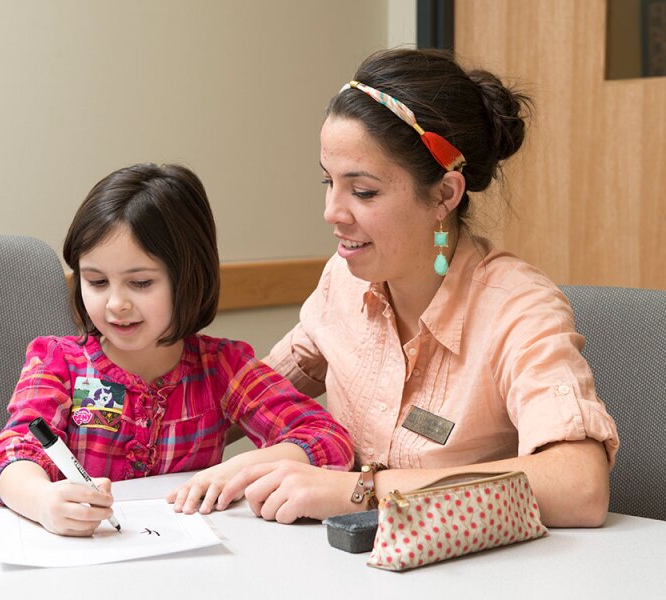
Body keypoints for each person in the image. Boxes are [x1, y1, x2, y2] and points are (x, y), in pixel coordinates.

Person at [216, 48, 619, 527]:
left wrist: (360, 491)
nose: (332, 211)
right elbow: (239, 399)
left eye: (362, 191)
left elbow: (579, 485)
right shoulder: (342, 281)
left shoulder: (517, 306)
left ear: (445, 195)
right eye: (329, 182)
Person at [0, 163, 353, 536]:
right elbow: (10, 455)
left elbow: (328, 439)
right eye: (96, 281)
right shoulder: (58, 362)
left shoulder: (222, 366)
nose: (116, 304)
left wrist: (240, 467)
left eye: (140, 283)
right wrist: (42, 501)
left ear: (188, 278)